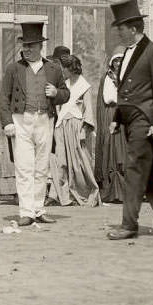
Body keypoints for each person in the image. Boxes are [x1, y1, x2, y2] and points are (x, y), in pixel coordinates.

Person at [105, 0, 153, 241]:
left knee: (134, 170)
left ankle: (129, 225)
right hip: (131, 120)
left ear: (133, 28)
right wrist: (117, 117)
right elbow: (126, 90)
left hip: (145, 122)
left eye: (121, 28)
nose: (118, 31)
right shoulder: (129, 52)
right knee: (147, 174)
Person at [0, 22, 70, 226]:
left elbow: (66, 93)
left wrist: (56, 94)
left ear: (40, 47)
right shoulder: (14, 69)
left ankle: (38, 209)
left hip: (44, 120)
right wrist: (7, 123)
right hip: (21, 120)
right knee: (24, 167)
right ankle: (26, 211)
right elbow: (4, 98)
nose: (26, 49)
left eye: (31, 46)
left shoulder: (53, 69)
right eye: (24, 45)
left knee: (42, 167)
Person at [48, 54, 99, 207]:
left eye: (63, 69)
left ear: (70, 68)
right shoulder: (65, 84)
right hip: (62, 125)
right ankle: (57, 195)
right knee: (60, 160)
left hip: (77, 126)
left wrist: (84, 129)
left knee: (79, 162)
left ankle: (83, 191)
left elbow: (88, 110)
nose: (62, 72)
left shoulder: (85, 86)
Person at [94, 48, 128, 203]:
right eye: (116, 60)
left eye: (121, 60)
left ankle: (125, 191)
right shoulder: (107, 78)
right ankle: (111, 190)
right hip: (111, 113)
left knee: (124, 150)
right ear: (112, 63)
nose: (118, 63)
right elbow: (106, 99)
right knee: (111, 148)